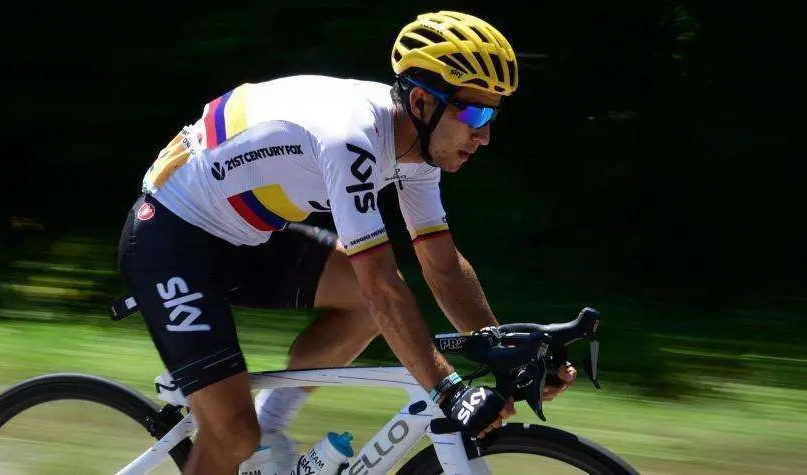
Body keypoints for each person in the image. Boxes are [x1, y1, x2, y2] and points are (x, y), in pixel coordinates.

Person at [117, 10, 576, 475]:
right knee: (232, 435)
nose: (485, 135)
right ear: (421, 102)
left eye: (493, 114)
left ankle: (270, 427)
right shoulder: (349, 138)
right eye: (475, 112)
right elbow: (383, 285)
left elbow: (440, 265)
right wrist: (449, 389)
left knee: (358, 303)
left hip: (246, 236)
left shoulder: (417, 149)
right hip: (172, 237)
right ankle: (249, 438)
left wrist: (500, 346)